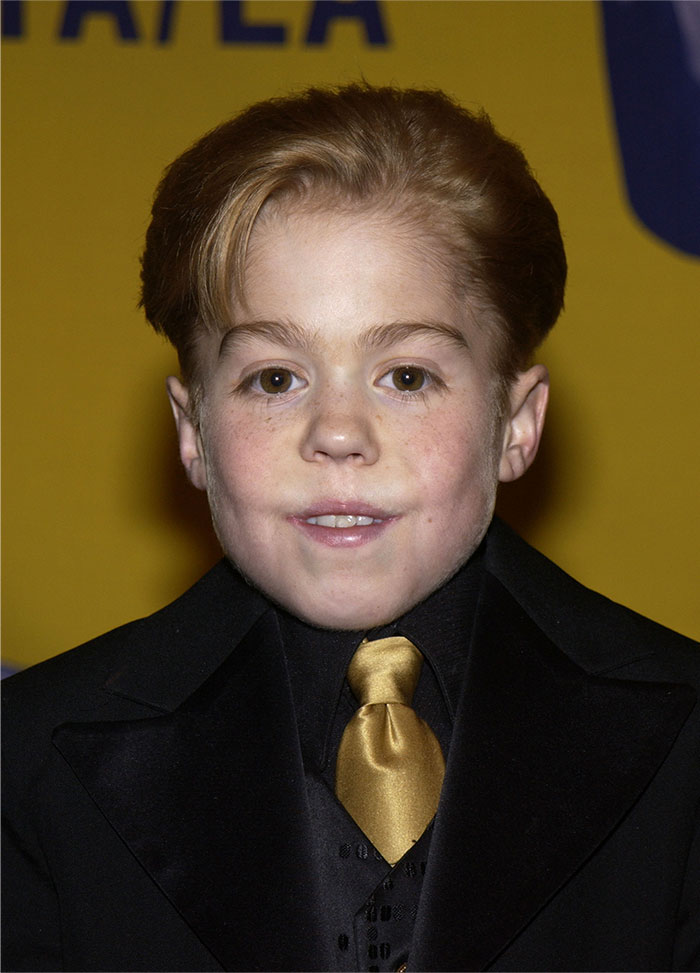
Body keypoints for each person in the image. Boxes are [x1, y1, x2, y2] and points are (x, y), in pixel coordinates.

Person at [2, 84, 698, 973]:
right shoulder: (25, 764)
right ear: (193, 431)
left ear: (515, 424)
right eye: (275, 378)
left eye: (405, 376)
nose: (337, 432)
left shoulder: (686, 742)